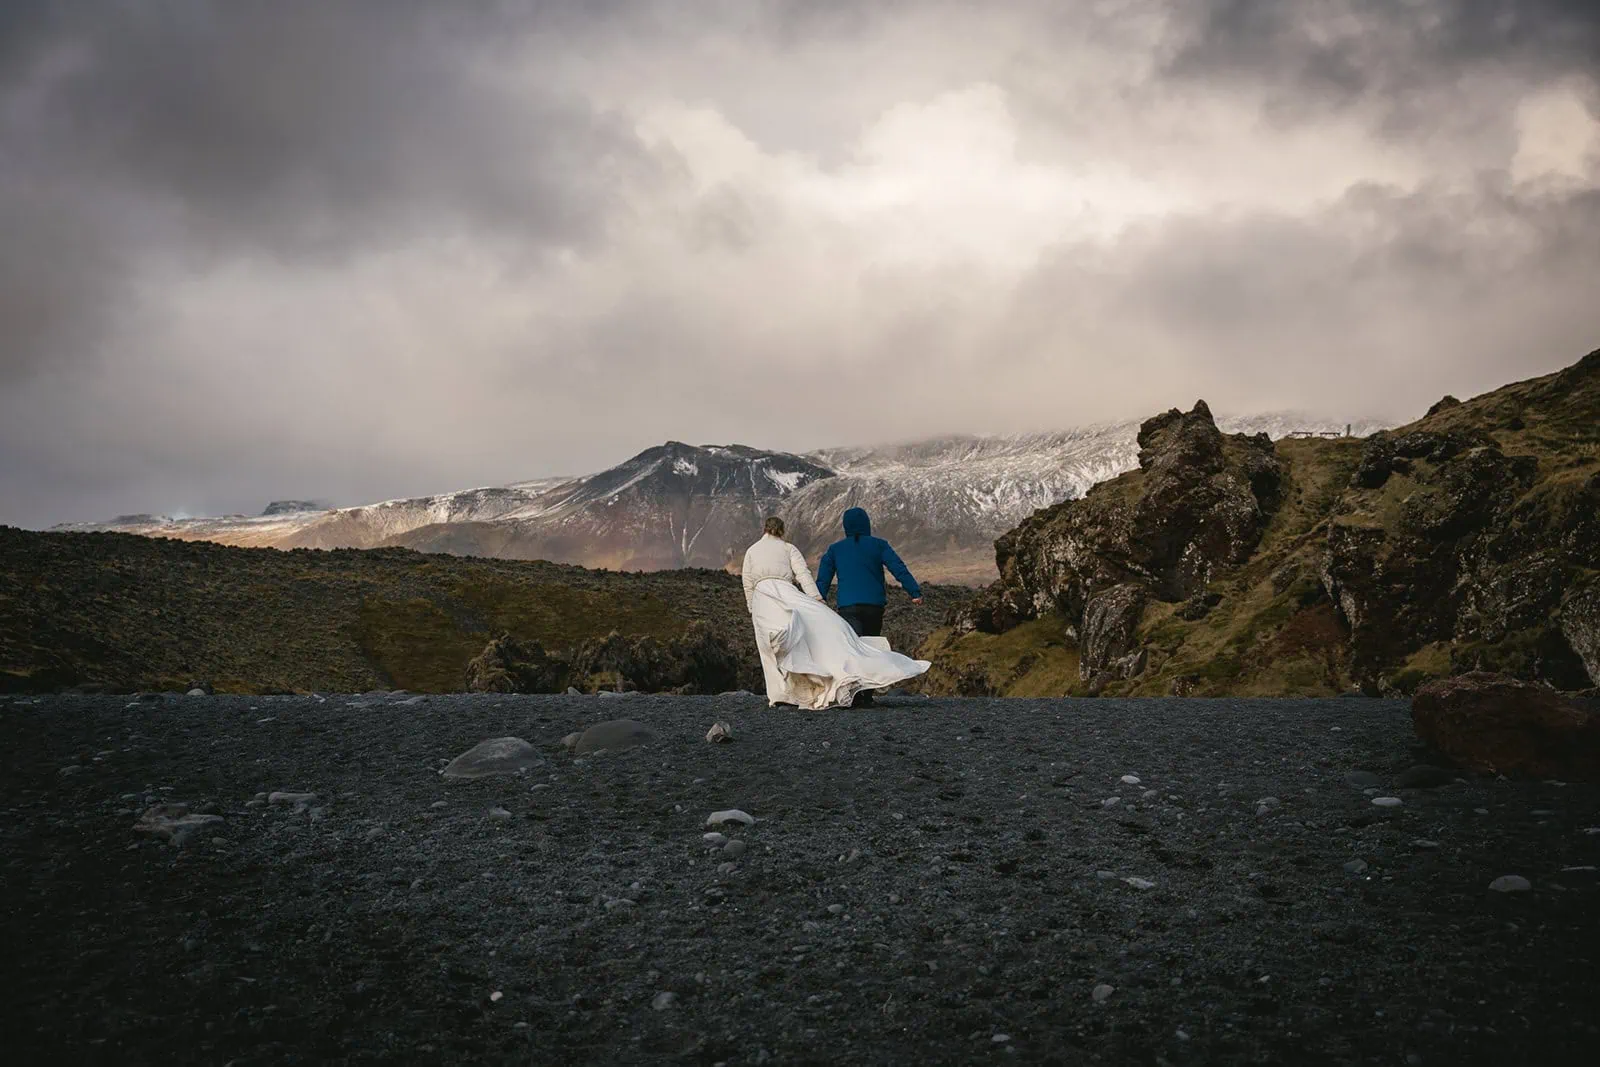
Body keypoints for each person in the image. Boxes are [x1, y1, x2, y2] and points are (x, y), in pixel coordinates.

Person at [741, 515, 929, 709]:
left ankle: (782, 693)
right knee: (859, 645)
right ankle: (864, 693)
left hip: (779, 600)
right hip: (868, 605)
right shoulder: (790, 548)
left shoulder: (752, 551)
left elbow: (748, 582)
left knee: (773, 647)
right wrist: (816, 600)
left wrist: (751, 606)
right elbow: (804, 575)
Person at [814, 507, 922, 707]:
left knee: (853, 649)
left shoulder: (835, 549)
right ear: (867, 524)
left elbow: (823, 579)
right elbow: (898, 568)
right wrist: (914, 592)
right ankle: (867, 695)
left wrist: (816, 600)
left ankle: (853, 694)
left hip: (848, 606)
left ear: (845, 526)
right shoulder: (879, 545)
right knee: (871, 647)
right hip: (874, 605)